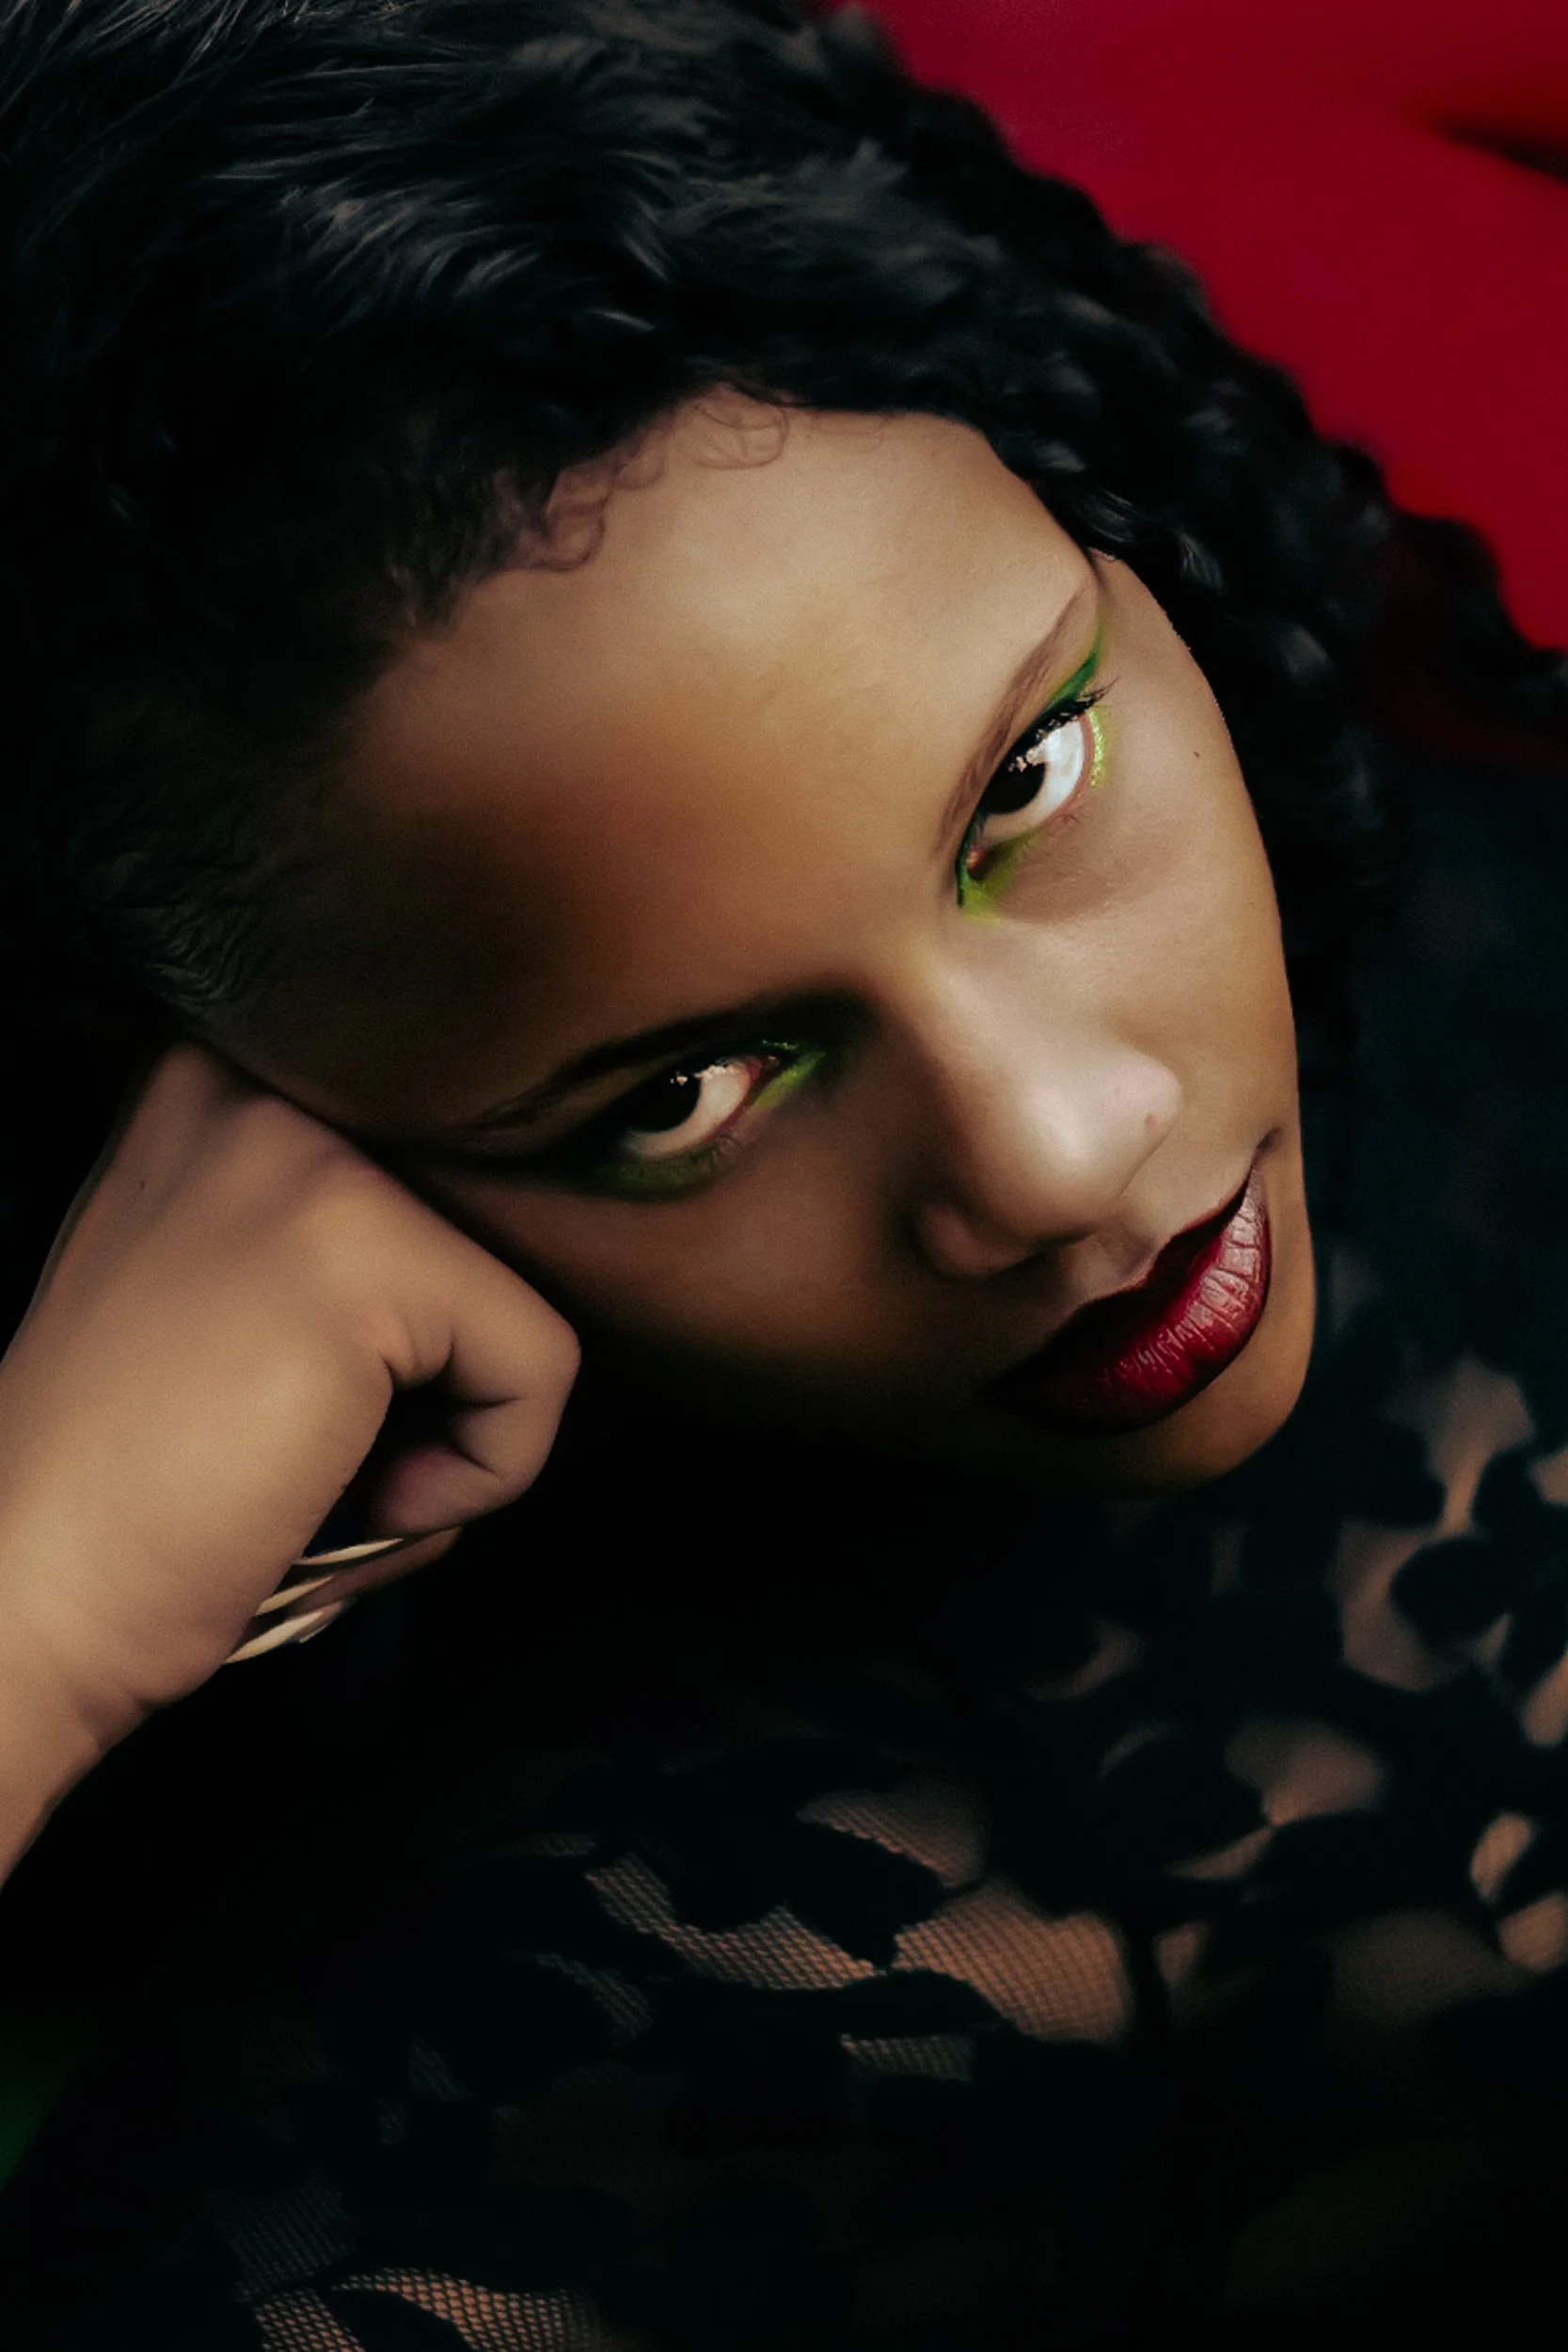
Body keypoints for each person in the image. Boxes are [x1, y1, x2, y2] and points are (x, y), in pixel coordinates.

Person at [0, 0, 1563, 2344]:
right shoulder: (616, 2026)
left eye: (1024, 786)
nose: (1060, 1149)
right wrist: (32, 1604)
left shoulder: (1432, 749)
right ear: (243, 1167)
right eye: (677, 1099)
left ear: (1087, 488)